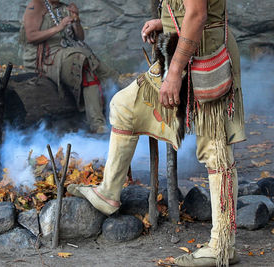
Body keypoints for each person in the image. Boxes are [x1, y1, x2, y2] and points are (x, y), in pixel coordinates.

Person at [68, 0, 245, 266]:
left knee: (216, 151)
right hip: (181, 54)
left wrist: (173, 73)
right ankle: (108, 193)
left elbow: (197, 14)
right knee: (125, 106)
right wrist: (164, 22)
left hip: (207, 58)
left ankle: (223, 247)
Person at [21, 0, 119, 133]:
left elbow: (80, 38)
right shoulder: (36, 5)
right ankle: (96, 124)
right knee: (83, 64)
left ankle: (115, 119)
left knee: (109, 75)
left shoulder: (64, 7)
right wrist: (58, 27)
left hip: (70, 52)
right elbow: (31, 36)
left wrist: (76, 21)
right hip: (47, 59)